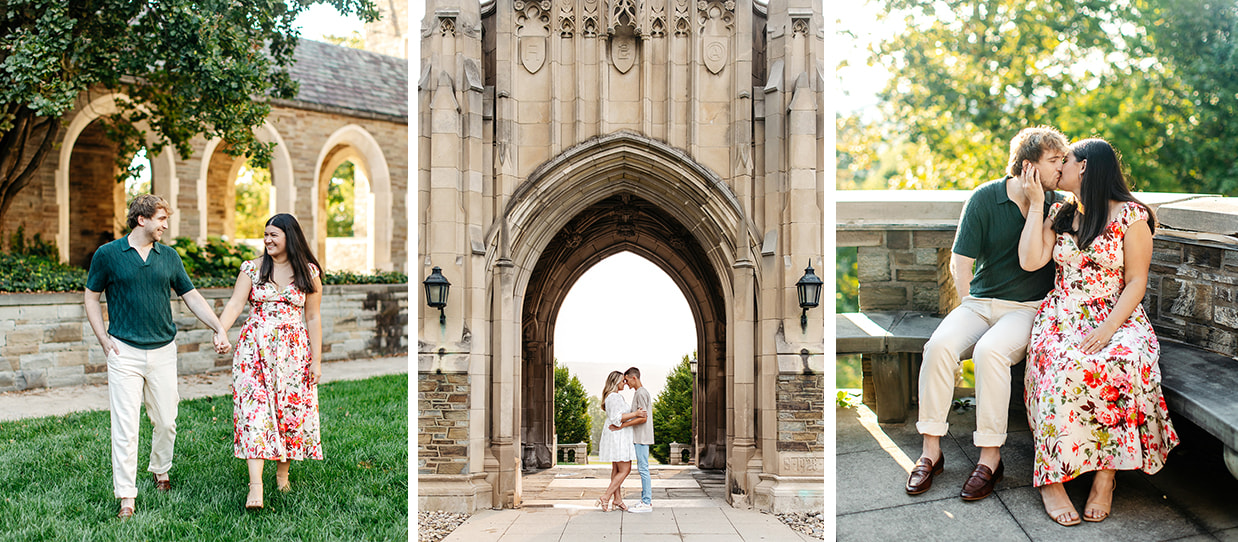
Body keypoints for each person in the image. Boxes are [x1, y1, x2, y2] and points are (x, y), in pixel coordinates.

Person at [1017, 138, 1178, 526]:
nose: (1059, 168)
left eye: (1065, 160)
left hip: (1116, 314)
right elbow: (1030, 261)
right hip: (1062, 314)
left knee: (1123, 362)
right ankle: (1051, 479)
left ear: (1085, 167)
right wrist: (1037, 203)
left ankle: (1105, 478)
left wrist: (1108, 330)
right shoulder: (1059, 211)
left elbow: (1136, 282)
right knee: (1060, 367)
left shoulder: (1132, 216)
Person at [905, 126, 1070, 501]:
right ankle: (931, 451)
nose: (1062, 167)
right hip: (978, 303)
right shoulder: (984, 198)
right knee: (940, 345)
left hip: (1027, 308)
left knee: (989, 352)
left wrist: (1038, 201)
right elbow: (960, 261)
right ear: (1028, 166)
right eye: (1054, 161)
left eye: (1063, 160)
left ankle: (990, 459)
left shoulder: (1057, 203)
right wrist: (967, 305)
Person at [84, 194, 231, 519]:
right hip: (124, 351)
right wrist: (104, 339)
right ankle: (126, 497)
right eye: (162, 219)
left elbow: (191, 297)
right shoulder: (108, 255)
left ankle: (160, 468)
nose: (166, 225)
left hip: (163, 351)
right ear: (142, 219)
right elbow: (91, 297)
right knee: (125, 427)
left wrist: (218, 327)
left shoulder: (169, 257)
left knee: (166, 420)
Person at [218, 213, 324, 510]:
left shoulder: (309, 273)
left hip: (293, 352)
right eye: (265, 235)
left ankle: (282, 474)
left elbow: (313, 317)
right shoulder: (251, 269)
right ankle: (256, 487)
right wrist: (221, 331)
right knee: (254, 413)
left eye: (273, 235)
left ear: (290, 236)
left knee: (288, 411)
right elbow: (236, 303)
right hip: (254, 351)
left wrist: (316, 360)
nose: (267, 240)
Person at [596, 371, 646, 512]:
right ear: (615, 382)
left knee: (617, 469)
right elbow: (617, 418)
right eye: (622, 381)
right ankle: (606, 497)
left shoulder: (613, 397)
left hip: (617, 434)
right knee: (626, 469)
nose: (625, 383)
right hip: (618, 435)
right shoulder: (614, 397)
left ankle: (617, 499)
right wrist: (635, 414)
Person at [613, 367, 653, 513]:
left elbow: (643, 418)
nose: (626, 383)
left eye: (627, 380)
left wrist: (623, 425)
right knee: (643, 468)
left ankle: (647, 503)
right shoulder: (640, 393)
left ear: (634, 378)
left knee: (643, 469)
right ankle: (644, 500)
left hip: (642, 437)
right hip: (639, 437)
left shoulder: (641, 393)